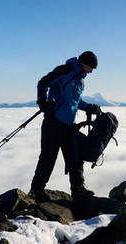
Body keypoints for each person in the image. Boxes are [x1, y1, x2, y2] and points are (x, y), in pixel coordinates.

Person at [30, 51, 102, 199]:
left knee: (75, 156)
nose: (92, 71)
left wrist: (88, 107)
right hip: (53, 122)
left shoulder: (80, 81)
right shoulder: (64, 71)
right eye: (91, 67)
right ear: (84, 63)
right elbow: (43, 83)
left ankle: (77, 188)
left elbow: (76, 102)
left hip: (70, 124)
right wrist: (42, 102)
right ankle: (36, 190)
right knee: (48, 157)